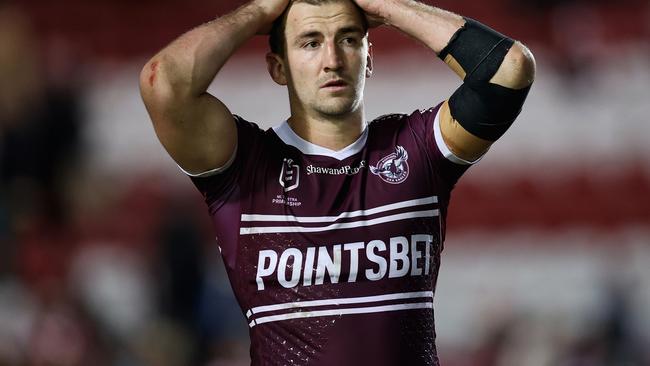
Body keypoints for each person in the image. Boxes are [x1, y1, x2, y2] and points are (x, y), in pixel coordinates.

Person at [139, 0, 535, 364]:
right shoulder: (246, 167)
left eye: (348, 39)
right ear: (279, 68)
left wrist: (388, 6)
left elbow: (510, 68)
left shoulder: (414, 151)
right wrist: (262, 9)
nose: (332, 60)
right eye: (310, 43)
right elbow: (164, 83)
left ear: (368, 58)